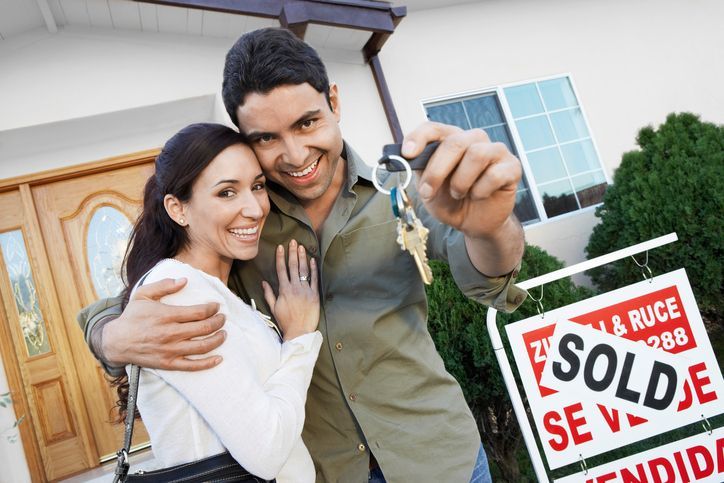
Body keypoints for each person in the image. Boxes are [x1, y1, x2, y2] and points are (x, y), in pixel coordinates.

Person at [78, 28, 527, 482]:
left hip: (439, 458)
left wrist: (492, 227)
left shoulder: (403, 195)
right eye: (267, 138)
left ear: (334, 101)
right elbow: (136, 300)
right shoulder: (240, 224)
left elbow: (488, 280)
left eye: (306, 123)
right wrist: (112, 340)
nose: (295, 155)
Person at [115, 123, 322, 482]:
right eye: (227, 192)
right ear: (178, 209)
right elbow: (266, 449)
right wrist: (301, 337)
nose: (255, 209)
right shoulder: (178, 292)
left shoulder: (212, 287)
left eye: (257, 187)